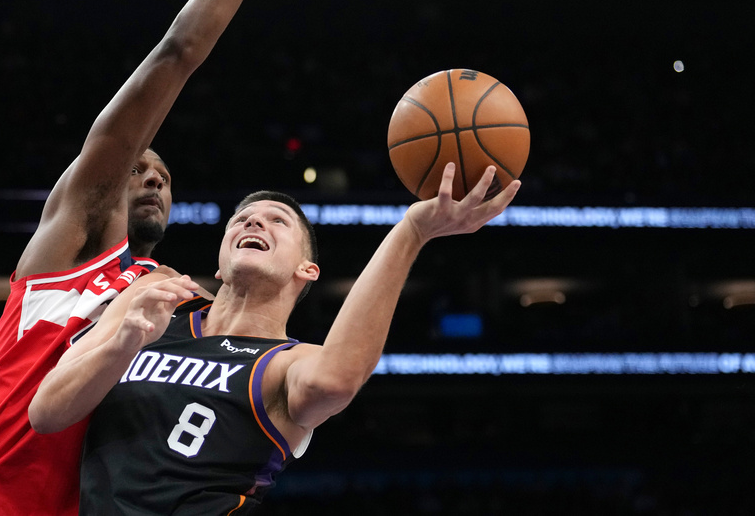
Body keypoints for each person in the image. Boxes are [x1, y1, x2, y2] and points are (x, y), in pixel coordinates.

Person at [0, 0, 376, 516]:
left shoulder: (169, 302)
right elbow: (177, 53)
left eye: (163, 172)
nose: (153, 177)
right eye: (137, 166)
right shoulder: (72, 250)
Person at [29, 163, 521, 514]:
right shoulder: (157, 302)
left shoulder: (286, 364)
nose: (252, 221)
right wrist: (121, 344)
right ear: (221, 263)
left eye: (276, 221)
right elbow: (46, 412)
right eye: (240, 219)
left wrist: (411, 231)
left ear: (307, 270)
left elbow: (338, 378)